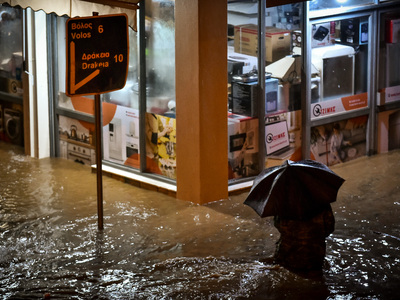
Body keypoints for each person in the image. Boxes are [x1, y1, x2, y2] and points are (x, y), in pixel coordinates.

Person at [273, 205, 335, 277]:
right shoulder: (322, 203)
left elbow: (278, 225)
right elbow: (329, 227)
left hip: (288, 253)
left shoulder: (284, 204)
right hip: (315, 254)